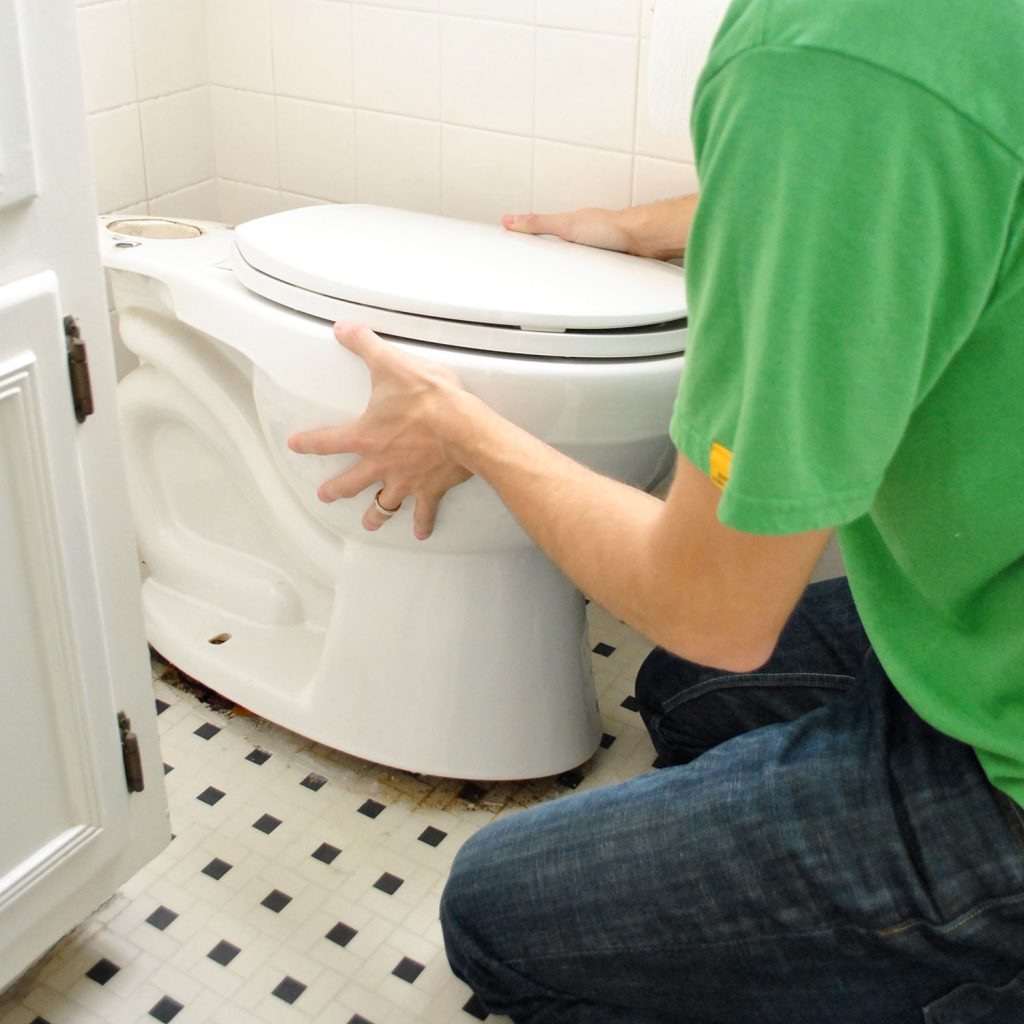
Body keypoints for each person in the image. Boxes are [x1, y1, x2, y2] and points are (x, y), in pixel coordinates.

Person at [288, 0, 1024, 1019]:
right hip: (988, 623)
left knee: (498, 913)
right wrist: (652, 226)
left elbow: (712, 606)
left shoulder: (839, 54)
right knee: (680, 697)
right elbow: (929, 159)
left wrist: (465, 429)